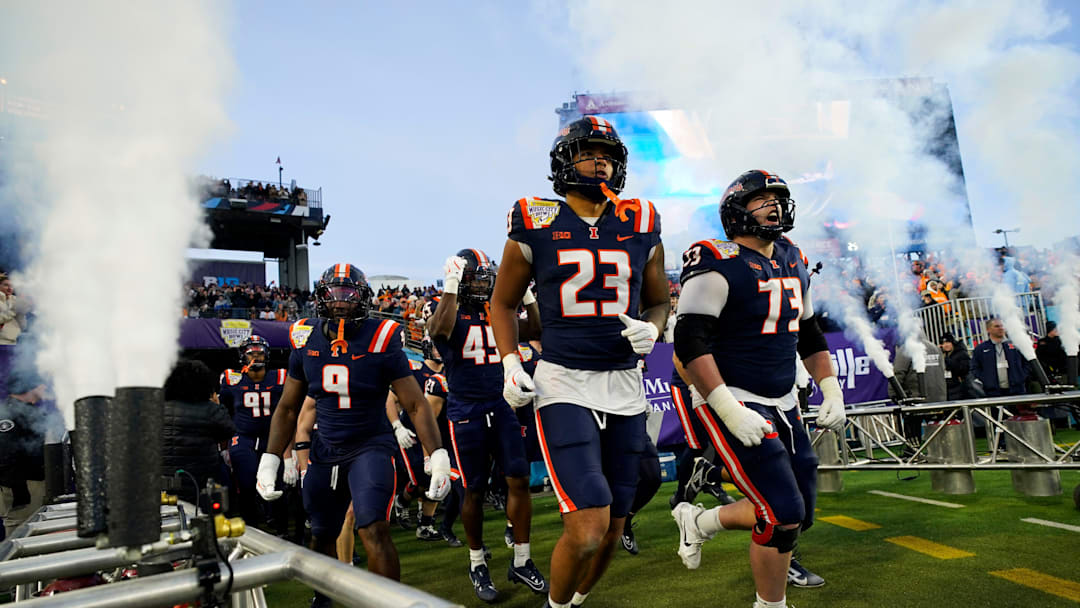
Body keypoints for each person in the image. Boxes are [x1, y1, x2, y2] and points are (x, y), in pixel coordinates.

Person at [490, 116, 670, 608]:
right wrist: (510, 361)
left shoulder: (641, 220)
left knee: (613, 527)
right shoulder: (536, 218)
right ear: (563, 160)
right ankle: (556, 606)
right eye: (589, 153)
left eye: (608, 156)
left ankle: (574, 601)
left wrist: (653, 328)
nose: (600, 162)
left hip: (626, 386)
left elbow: (659, 300)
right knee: (588, 527)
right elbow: (502, 302)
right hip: (564, 381)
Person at [670, 170, 846, 608]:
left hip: (783, 398)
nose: (774, 206)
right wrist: (727, 407)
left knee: (798, 511)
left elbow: (808, 333)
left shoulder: (792, 255)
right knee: (782, 512)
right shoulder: (715, 257)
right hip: (733, 396)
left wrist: (831, 387)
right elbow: (689, 341)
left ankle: (700, 522)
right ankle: (771, 604)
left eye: (778, 198)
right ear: (736, 210)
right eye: (761, 199)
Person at [255, 264, 450, 608]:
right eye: (333, 294)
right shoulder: (304, 336)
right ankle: (324, 596)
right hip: (326, 448)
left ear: (363, 299)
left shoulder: (382, 336)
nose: (340, 302)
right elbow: (288, 407)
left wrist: (437, 453)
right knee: (321, 533)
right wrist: (272, 457)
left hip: (369, 445)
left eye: (348, 295)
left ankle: (388, 602)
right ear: (320, 298)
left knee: (372, 526)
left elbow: (416, 404)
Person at [428, 248, 546, 603]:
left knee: (519, 478)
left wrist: (525, 293)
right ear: (460, 282)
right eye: (474, 279)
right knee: (474, 490)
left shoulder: (495, 310)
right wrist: (450, 286)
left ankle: (522, 560)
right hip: (466, 411)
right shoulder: (450, 309)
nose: (482, 285)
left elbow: (536, 327)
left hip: (500, 404)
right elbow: (439, 330)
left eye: (485, 278)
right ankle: (477, 562)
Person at [218, 335, 294, 532]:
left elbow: (291, 411)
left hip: (273, 438)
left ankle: (281, 529)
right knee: (246, 484)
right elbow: (224, 412)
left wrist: (289, 450)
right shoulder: (230, 379)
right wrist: (225, 446)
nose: (256, 357)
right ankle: (250, 529)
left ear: (267, 355)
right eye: (251, 353)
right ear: (242, 356)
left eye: (260, 352)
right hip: (244, 438)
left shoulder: (281, 377)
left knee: (277, 486)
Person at [162, 359, 236, 508]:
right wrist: (217, 405)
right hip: (200, 482)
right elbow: (229, 430)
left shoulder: (158, 408)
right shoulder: (210, 409)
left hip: (164, 481)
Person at [970, 318, 1030, 397]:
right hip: (993, 392)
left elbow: (1027, 363)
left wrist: (1021, 376)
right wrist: (986, 380)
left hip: (1016, 389)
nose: (1001, 328)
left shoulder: (1015, 345)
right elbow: (975, 367)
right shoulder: (981, 349)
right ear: (988, 329)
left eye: (1002, 326)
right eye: (997, 326)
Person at [939, 333, 972, 400]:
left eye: (948, 342)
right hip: (946, 388)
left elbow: (964, 369)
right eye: (943, 343)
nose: (945, 345)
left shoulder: (961, 353)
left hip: (959, 388)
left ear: (953, 342)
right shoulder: (942, 355)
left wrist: (947, 361)